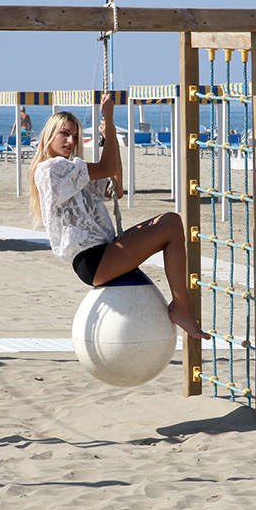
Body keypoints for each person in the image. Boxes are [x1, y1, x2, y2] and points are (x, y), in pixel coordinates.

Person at [29, 94, 208, 341]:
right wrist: (109, 121)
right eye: (64, 134)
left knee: (169, 221)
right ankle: (181, 307)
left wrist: (109, 134)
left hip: (102, 251)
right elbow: (107, 167)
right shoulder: (52, 169)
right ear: (49, 135)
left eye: (75, 136)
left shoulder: (73, 171)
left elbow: (116, 186)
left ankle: (180, 306)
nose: (71, 141)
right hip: (92, 259)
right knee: (171, 225)